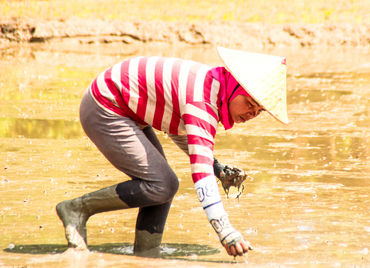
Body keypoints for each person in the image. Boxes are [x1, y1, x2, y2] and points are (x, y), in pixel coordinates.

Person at [56, 46, 288, 258]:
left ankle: (146, 255)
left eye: (259, 110)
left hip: (129, 110)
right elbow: (201, 176)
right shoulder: (203, 102)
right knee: (162, 184)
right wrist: (226, 232)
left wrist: (216, 166)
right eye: (249, 103)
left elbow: (178, 127)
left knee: (162, 185)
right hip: (105, 106)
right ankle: (76, 208)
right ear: (234, 85)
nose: (251, 114)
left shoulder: (213, 86)